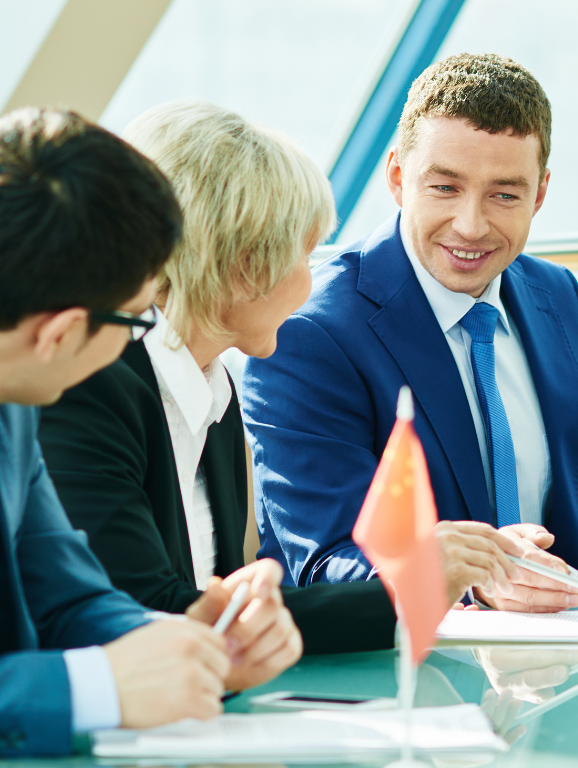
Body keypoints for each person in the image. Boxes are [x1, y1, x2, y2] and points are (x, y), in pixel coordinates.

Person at [38, 101, 526, 655]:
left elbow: (219, 606)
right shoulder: (89, 390)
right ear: (247, 267)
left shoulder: (211, 394)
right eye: (303, 255)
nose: (309, 281)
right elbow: (146, 610)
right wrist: (405, 589)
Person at [0, 106, 300, 758]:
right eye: (137, 319)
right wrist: (95, 687)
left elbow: (69, 596)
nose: (145, 340)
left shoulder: (15, 402)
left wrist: (191, 645)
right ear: (58, 334)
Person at [242, 52, 578, 612]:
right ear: (398, 177)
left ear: (540, 195)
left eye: (505, 195)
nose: (471, 225)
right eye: (445, 187)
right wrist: (467, 575)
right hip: (400, 676)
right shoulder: (308, 335)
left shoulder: (560, 299)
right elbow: (323, 567)